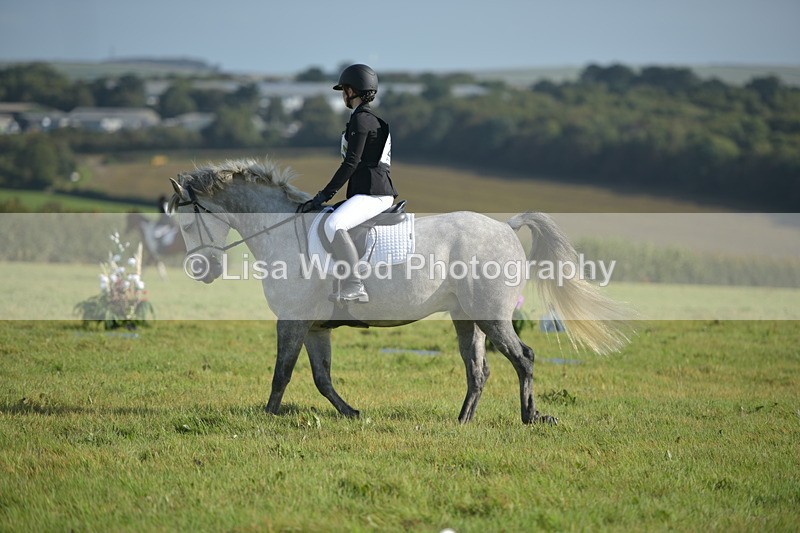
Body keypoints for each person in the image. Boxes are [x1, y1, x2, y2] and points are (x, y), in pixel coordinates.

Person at [308, 64, 397, 303]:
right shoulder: (364, 119)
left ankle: (354, 284)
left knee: (334, 224)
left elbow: (351, 164)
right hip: (367, 192)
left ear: (351, 90)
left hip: (373, 193)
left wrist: (322, 196)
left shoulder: (363, 120)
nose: (342, 95)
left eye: (343, 90)